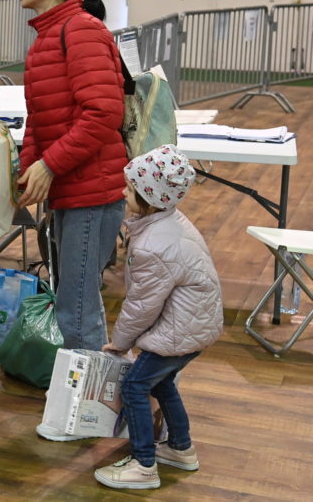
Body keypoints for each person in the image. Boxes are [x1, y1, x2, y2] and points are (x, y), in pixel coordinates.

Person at [13, 0, 126, 366]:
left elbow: (103, 113)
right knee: (75, 305)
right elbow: (41, 119)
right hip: (71, 190)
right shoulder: (47, 36)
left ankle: (87, 410)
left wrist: (50, 164)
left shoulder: (80, 30)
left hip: (91, 194)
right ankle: (89, 401)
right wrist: (31, 168)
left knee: (76, 313)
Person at [93, 145, 223, 490]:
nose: (123, 192)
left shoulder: (153, 245)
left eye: (129, 188)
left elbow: (141, 306)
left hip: (179, 331)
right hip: (193, 324)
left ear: (150, 196)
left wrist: (119, 344)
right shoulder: (167, 220)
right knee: (161, 382)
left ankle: (143, 465)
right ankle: (180, 448)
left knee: (135, 386)